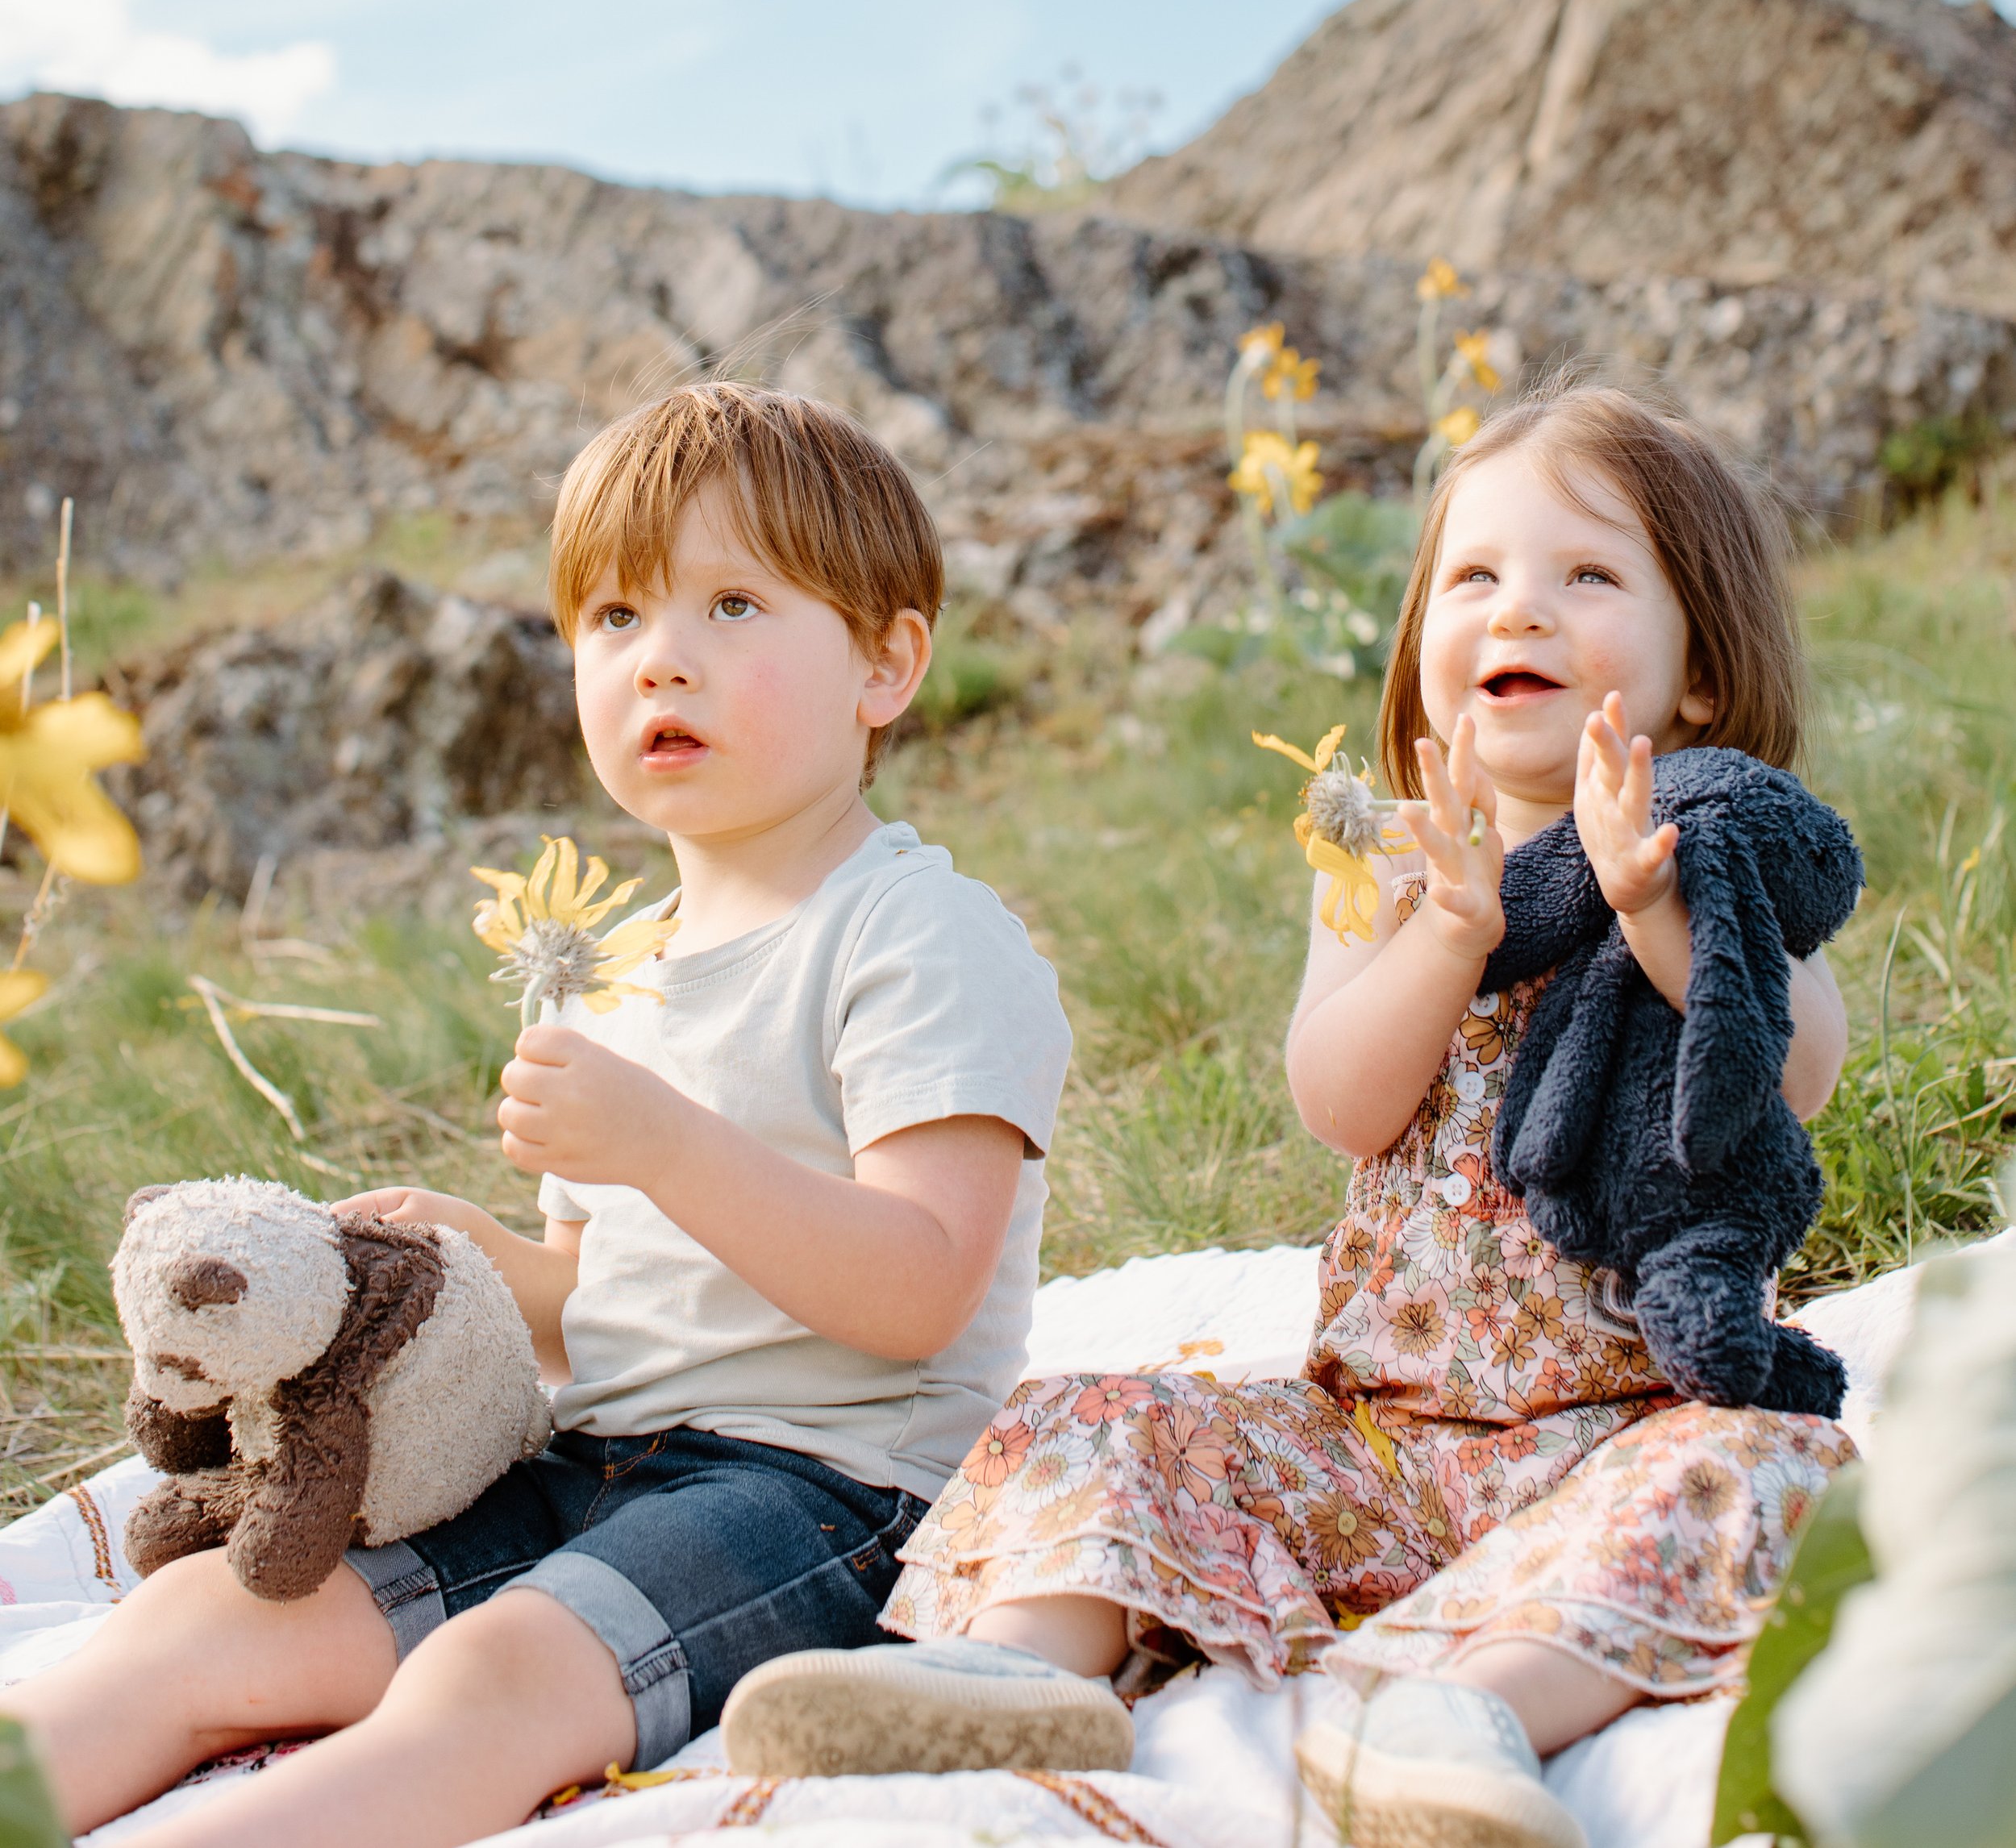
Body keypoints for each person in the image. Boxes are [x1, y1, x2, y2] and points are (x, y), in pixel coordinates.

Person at [731, 379, 1859, 1848]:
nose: (1519, 611)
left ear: (1698, 671)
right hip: (1370, 1443)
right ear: (1420, 647)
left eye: (1587, 574)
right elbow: (1338, 1099)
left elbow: (1793, 1067)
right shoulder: (1388, 862)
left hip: (1618, 1429)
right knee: (1103, 1413)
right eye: (1474, 576)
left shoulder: (1712, 845)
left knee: (1771, 1467)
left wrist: (1650, 910)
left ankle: (1466, 1712)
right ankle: (1022, 1667)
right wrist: (1445, 941)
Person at [11, 382, 1073, 1848]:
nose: (664, 664)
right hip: (586, 1457)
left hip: (826, 1489)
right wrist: (480, 1255)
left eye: (735, 606)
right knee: (215, 1614)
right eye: (616, 619)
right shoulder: (602, 973)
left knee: (495, 1675)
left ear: (887, 663)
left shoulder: (920, 936)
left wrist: (663, 1141)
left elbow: (914, 1289)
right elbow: (604, 1305)